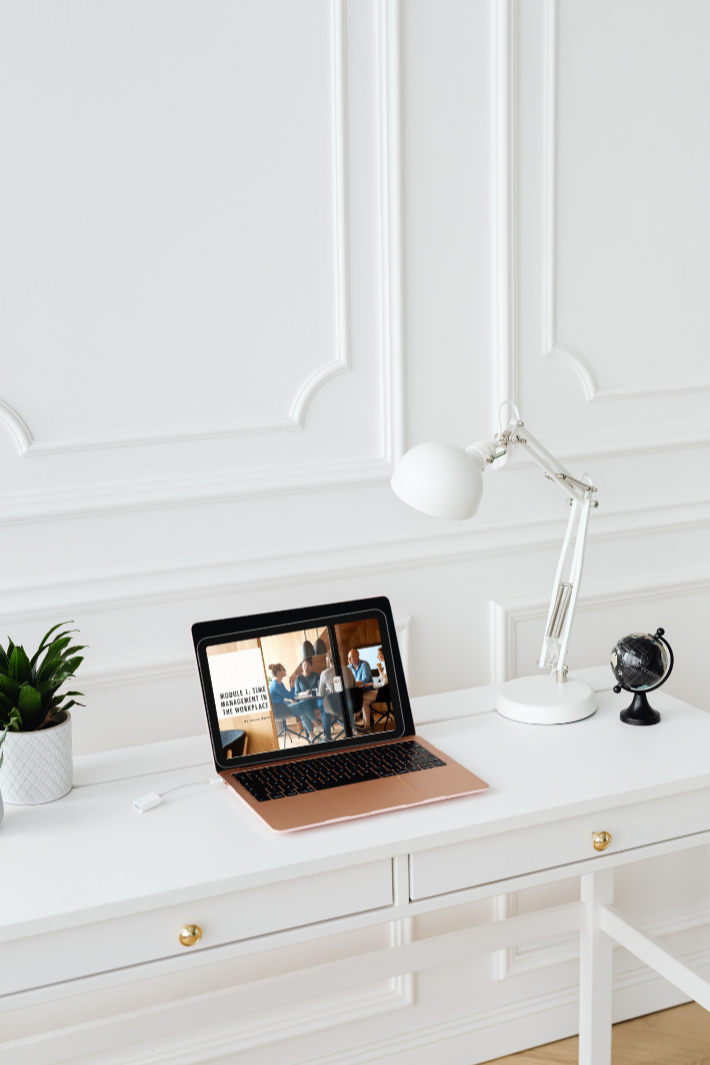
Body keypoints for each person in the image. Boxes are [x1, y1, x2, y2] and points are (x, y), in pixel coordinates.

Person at [268, 663, 317, 743]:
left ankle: (313, 731)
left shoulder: (280, 683)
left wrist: (292, 684)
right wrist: (293, 683)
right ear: (278, 672)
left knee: (305, 704)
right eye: (283, 669)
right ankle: (314, 730)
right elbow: (291, 696)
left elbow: (290, 696)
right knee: (304, 710)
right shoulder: (275, 685)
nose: (285, 670)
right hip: (280, 711)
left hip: (283, 707)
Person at [293, 658, 329, 741]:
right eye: (304, 665)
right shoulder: (298, 678)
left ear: (311, 666)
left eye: (308, 665)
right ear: (302, 667)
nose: (306, 667)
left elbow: (322, 687)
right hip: (305, 701)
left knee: (324, 704)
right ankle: (311, 734)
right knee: (304, 708)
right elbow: (297, 693)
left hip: (317, 699)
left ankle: (327, 733)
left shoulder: (316, 675)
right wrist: (305, 693)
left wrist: (318, 690)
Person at [347, 648, 378, 730]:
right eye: (348, 657)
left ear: (357, 657)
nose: (349, 659)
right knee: (363, 702)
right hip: (359, 693)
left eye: (351, 657)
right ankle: (367, 726)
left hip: (369, 691)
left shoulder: (364, 664)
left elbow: (365, 679)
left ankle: (356, 715)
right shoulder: (349, 667)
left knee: (359, 699)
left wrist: (354, 683)